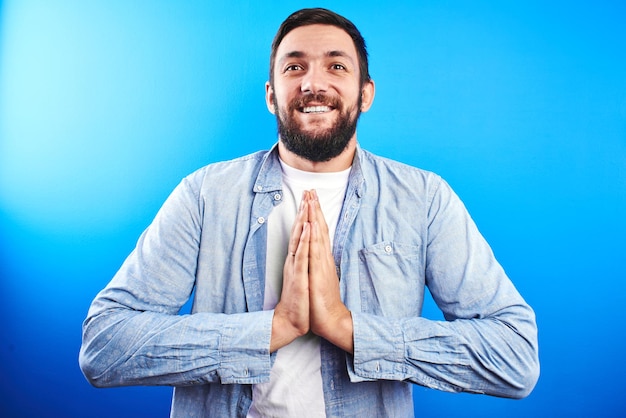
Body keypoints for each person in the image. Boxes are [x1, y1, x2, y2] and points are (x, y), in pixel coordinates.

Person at [79, 7, 539, 417]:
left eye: (336, 66)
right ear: (271, 94)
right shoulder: (205, 194)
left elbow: (515, 358)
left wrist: (347, 328)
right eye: (294, 66)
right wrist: (274, 328)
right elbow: (104, 347)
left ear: (365, 93)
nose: (313, 83)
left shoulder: (422, 198)